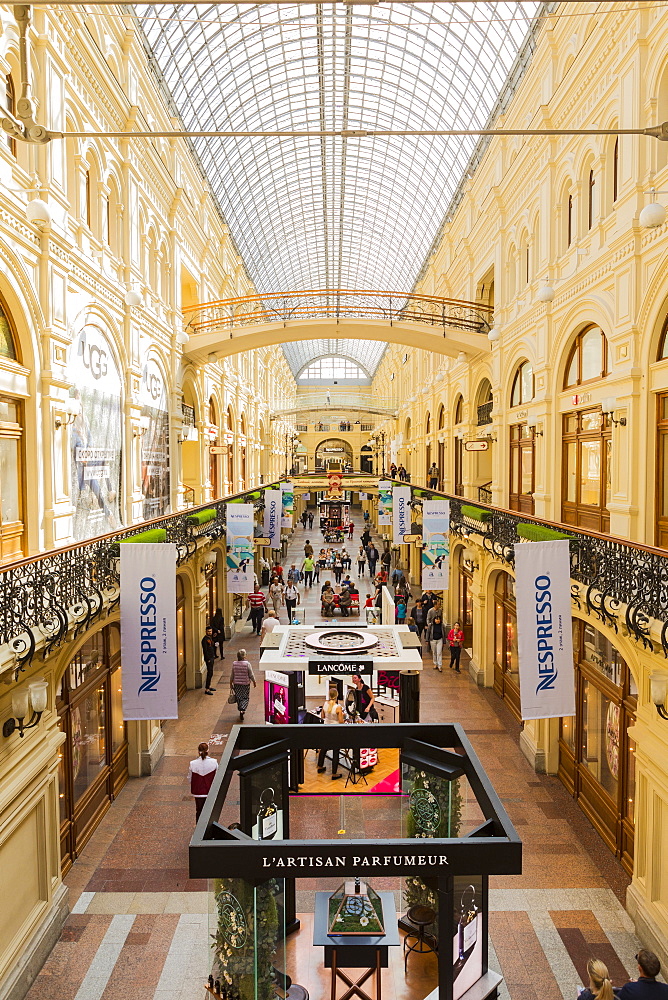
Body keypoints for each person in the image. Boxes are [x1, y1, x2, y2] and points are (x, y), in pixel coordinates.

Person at [317, 685, 344, 779]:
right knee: (336, 751)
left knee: (323, 748)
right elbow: (341, 721)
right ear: (337, 696)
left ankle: (320, 766)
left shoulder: (325, 704)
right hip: (335, 730)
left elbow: (322, 716)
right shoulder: (338, 707)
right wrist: (342, 716)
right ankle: (334, 773)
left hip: (326, 728)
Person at [189, 743, 218, 820]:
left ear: (198, 751)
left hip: (198, 792)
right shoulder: (214, 762)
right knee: (210, 811)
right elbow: (217, 777)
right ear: (208, 750)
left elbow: (190, 778)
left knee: (199, 810)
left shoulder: (192, 764)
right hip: (210, 791)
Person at [229, 648, 256, 722]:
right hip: (245, 684)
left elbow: (232, 675)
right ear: (244, 656)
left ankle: (240, 708)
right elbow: (251, 674)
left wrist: (230, 683)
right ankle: (242, 709)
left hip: (236, 684)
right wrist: (254, 681)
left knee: (238, 697)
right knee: (245, 697)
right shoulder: (247, 664)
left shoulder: (234, 664)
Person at [201, 626, 217, 695]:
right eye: (208, 631)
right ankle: (207, 689)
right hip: (209, 658)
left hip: (211, 657)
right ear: (206, 631)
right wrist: (207, 659)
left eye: (210, 631)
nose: (209, 632)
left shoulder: (210, 638)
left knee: (211, 673)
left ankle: (209, 686)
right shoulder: (204, 639)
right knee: (210, 673)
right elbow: (205, 650)